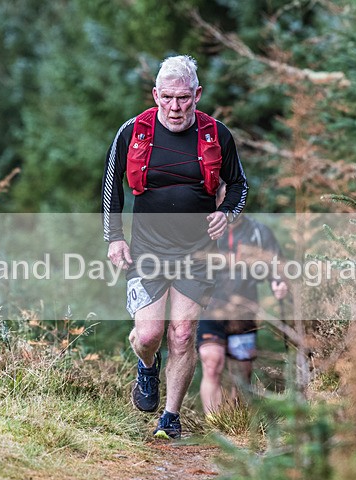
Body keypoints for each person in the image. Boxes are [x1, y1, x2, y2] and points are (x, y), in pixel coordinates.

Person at [101, 55, 249, 439]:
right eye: (167, 97)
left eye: (183, 98)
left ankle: (169, 416)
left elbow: (239, 186)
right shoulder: (133, 131)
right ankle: (147, 367)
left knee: (182, 334)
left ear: (197, 95)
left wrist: (227, 215)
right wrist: (114, 237)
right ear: (155, 94)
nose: (175, 107)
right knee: (149, 335)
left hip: (197, 252)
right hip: (148, 248)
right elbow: (111, 185)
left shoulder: (217, 134)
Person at [197, 183, 288, 416]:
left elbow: (276, 264)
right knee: (211, 361)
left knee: (242, 370)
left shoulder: (258, 232)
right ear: (217, 201)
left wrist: (278, 281)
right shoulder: (203, 231)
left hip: (245, 310)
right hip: (210, 308)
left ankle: (235, 423)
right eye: (227, 198)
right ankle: (215, 423)